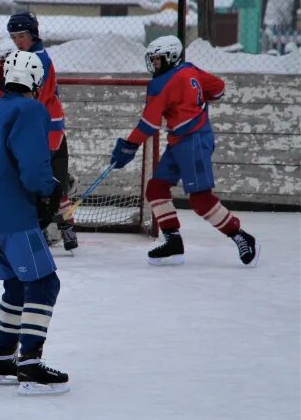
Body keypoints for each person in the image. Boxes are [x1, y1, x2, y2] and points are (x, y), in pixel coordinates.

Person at [0, 50, 68, 395]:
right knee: (44, 283)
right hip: (13, 214)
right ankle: (31, 366)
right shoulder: (32, 109)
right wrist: (48, 190)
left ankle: (3, 360)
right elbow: (34, 165)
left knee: (16, 285)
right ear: (35, 81)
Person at [110, 35, 260, 267]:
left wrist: (129, 146)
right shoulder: (189, 69)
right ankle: (174, 242)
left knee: (201, 200)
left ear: (170, 57)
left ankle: (242, 237)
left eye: (158, 59)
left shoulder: (162, 83)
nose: (154, 64)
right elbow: (218, 89)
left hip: (194, 141)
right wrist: (195, 103)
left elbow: (149, 124)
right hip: (181, 140)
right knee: (156, 188)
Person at [0, 11, 78, 252]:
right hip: (44, 124)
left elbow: (25, 93)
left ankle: (46, 227)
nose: (17, 41)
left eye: (21, 35)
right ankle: (66, 228)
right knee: (48, 175)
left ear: (33, 34)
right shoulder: (28, 56)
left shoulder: (38, 59)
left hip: (45, 127)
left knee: (35, 175)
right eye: (13, 37)